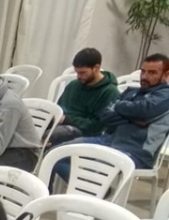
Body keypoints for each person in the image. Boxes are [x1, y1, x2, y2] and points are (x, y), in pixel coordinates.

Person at [52, 53, 169, 182]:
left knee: (95, 168)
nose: (145, 76)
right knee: (56, 153)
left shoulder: (166, 96)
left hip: (136, 152)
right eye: (143, 71)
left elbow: (144, 110)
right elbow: (105, 116)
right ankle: (90, 189)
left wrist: (120, 109)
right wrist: (133, 117)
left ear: (166, 75)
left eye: (152, 73)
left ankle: (90, 189)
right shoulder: (131, 91)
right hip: (109, 140)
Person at [49, 48, 120, 146]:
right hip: (61, 124)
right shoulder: (73, 85)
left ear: (96, 68)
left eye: (82, 72)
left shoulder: (110, 92)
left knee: (56, 134)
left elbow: (97, 126)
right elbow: (59, 108)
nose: (78, 76)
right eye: (77, 72)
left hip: (85, 134)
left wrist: (66, 119)